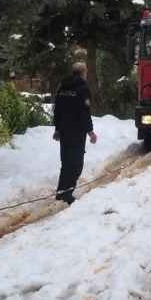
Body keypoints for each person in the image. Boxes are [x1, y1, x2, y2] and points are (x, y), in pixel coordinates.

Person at [53, 62, 98, 205]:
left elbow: (57, 110)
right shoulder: (82, 88)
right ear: (83, 72)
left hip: (64, 131)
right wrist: (90, 132)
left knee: (66, 161)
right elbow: (84, 112)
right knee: (76, 163)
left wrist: (57, 129)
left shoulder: (62, 86)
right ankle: (67, 193)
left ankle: (61, 192)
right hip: (77, 132)